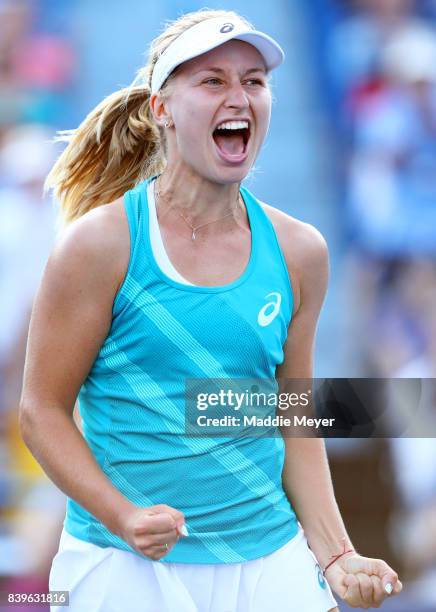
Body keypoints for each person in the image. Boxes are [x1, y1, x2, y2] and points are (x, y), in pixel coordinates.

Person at [18, 9, 403, 612]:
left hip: (268, 559)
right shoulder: (100, 244)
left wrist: (335, 555)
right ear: (160, 109)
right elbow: (41, 411)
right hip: (123, 565)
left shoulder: (301, 251)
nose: (240, 97)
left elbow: (292, 414)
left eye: (254, 81)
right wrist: (124, 517)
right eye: (213, 81)